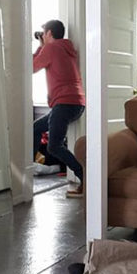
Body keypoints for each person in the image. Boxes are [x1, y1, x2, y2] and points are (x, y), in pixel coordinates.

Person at [32, 19, 85, 198]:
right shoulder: (67, 48)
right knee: (36, 128)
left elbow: (31, 67)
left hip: (64, 103)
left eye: (44, 33)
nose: (42, 36)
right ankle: (30, 167)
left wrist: (40, 47)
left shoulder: (51, 48)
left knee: (54, 147)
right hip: (76, 103)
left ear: (49, 33)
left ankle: (85, 176)